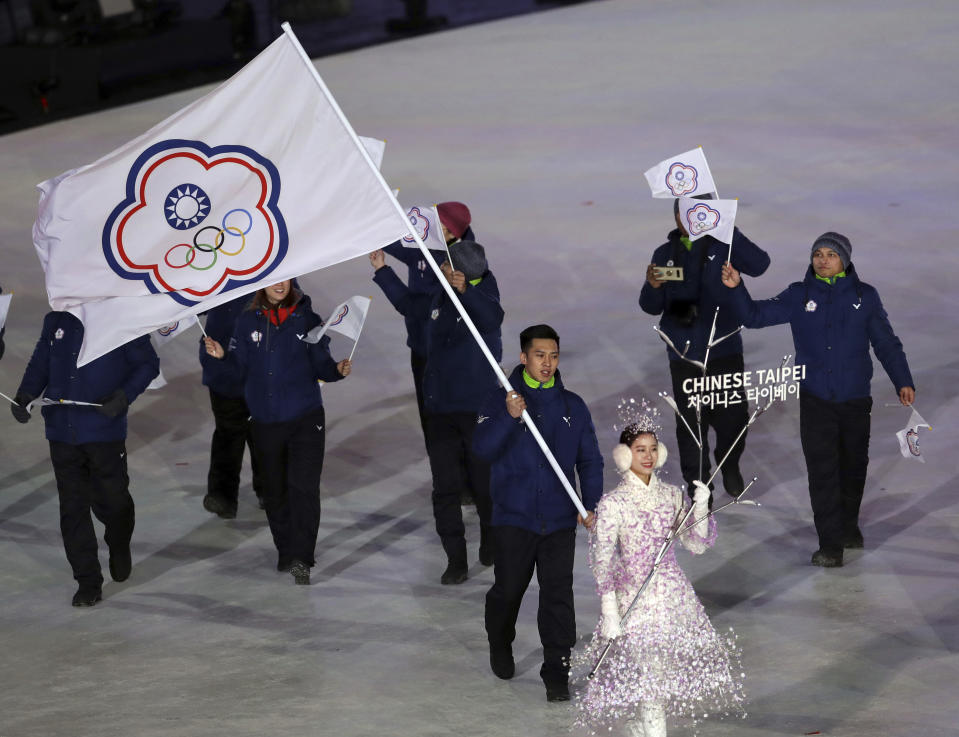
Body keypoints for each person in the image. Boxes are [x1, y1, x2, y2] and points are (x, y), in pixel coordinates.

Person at [721, 232, 915, 567]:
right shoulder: (799, 295)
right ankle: (830, 546)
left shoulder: (864, 297)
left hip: (855, 400)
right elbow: (754, 317)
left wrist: (903, 380)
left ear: (845, 260)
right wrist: (737, 287)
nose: (823, 260)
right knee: (823, 472)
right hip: (815, 401)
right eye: (817, 254)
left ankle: (848, 526)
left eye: (831, 255)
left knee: (852, 469)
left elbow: (886, 343)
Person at [575, 411, 744, 736]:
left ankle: (641, 727)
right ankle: (652, 730)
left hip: (673, 598)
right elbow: (602, 560)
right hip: (633, 600)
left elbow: (695, 545)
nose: (649, 455)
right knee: (651, 678)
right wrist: (610, 611)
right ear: (625, 455)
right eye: (640, 449)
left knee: (659, 676)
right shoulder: (614, 503)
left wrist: (700, 507)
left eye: (653, 448)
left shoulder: (671, 495)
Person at [474, 324, 603, 703]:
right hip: (513, 519)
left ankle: (556, 674)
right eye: (540, 356)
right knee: (508, 590)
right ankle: (500, 640)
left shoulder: (572, 406)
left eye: (554, 356)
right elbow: (482, 449)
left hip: (560, 520)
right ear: (523, 358)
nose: (547, 363)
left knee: (558, 597)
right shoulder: (499, 401)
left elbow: (590, 460)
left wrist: (591, 503)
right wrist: (509, 417)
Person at [371, 239, 503, 584]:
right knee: (445, 487)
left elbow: (491, 318)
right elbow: (407, 304)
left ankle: (491, 539)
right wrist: (382, 270)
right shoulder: (436, 295)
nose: (439, 269)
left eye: (445, 265)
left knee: (484, 483)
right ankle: (455, 558)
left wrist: (466, 293)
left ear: (459, 272)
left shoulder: (486, 294)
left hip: (477, 411)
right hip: (440, 409)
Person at [203, 280, 352, 585]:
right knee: (275, 491)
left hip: (306, 419)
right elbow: (238, 372)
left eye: (285, 279)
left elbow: (321, 366)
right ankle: (285, 550)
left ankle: (302, 557)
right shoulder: (247, 322)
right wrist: (221, 357)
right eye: (273, 281)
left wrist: (336, 371)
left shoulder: (307, 319)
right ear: (262, 286)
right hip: (265, 422)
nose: (280, 285)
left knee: (304, 488)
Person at [11, 312, 159, 606]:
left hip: (103, 430)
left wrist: (123, 397)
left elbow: (148, 364)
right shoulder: (56, 320)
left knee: (114, 503)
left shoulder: (119, 314)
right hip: (61, 431)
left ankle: (118, 542)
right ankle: (88, 581)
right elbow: (42, 360)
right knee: (73, 508)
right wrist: (26, 392)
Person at [640, 197, 770, 502]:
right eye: (684, 214)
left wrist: (728, 228)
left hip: (724, 348)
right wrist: (654, 286)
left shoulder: (724, 245)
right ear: (676, 218)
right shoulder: (664, 254)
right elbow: (649, 306)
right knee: (690, 423)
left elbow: (761, 265)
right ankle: (699, 486)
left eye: (699, 214)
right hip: (684, 354)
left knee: (734, 417)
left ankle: (729, 463)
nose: (691, 220)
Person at [373, 201, 475, 445]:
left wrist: (382, 270)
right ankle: (442, 480)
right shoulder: (423, 245)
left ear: (452, 235)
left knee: (447, 424)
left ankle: (459, 478)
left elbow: (412, 306)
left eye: (442, 228)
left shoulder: (457, 264)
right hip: (421, 348)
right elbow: (386, 238)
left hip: (447, 354)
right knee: (430, 421)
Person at [198, 293, 263, 519]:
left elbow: (293, 295)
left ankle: (269, 489)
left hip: (262, 373)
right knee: (227, 432)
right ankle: (223, 496)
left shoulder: (271, 268)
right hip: (222, 369)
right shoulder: (212, 268)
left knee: (263, 434)